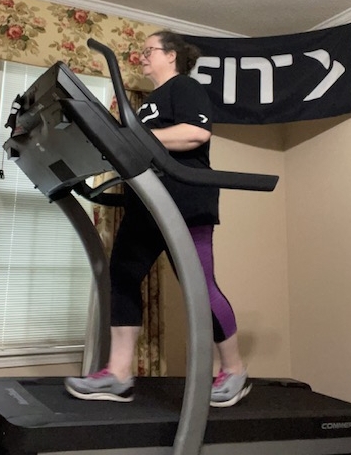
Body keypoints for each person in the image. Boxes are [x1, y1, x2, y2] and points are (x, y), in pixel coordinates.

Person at [65, 30, 252, 407]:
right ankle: (118, 374)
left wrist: (137, 138)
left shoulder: (185, 87)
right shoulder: (149, 102)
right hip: (147, 203)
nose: (142, 57)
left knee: (199, 285)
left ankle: (234, 370)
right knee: (122, 276)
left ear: (172, 55)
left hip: (184, 200)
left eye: (149, 50)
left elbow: (195, 134)